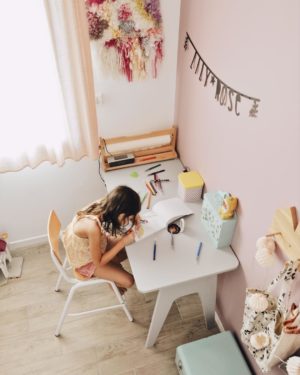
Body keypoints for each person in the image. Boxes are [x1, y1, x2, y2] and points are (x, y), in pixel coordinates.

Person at [62, 185, 141, 294]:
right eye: (128, 218)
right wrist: (123, 242)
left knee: (128, 249)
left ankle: (112, 268)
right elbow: (98, 262)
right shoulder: (92, 227)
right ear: (120, 212)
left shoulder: (106, 203)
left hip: (92, 245)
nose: (129, 221)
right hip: (87, 261)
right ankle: (109, 278)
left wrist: (135, 217)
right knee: (129, 281)